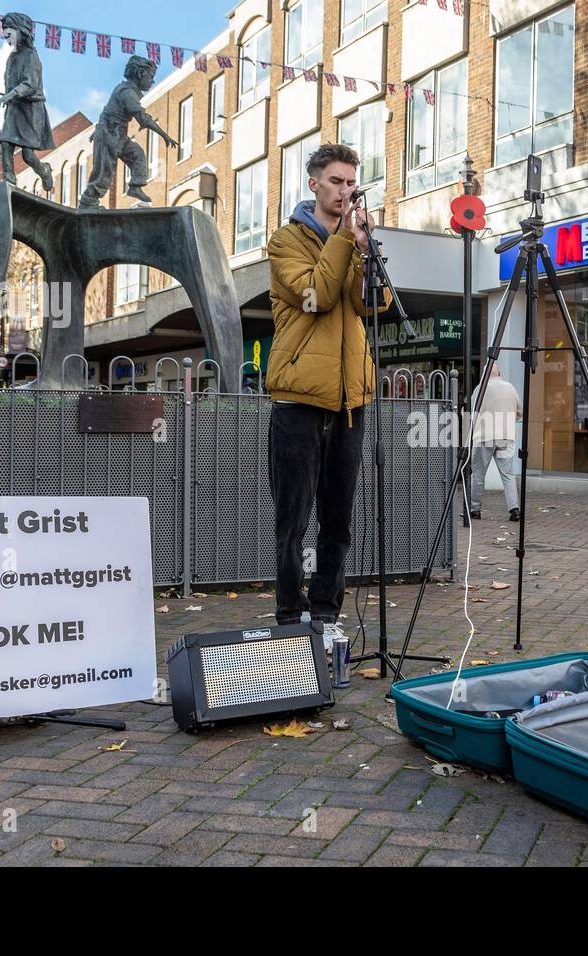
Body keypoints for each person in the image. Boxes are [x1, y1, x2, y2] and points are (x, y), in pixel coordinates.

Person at [265, 143, 382, 647]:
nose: (346, 190)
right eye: (337, 181)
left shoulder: (354, 244)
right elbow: (317, 294)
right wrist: (343, 244)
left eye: (351, 182)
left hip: (349, 403)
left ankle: (327, 612)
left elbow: (367, 303)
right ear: (314, 184)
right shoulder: (285, 242)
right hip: (298, 401)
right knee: (292, 518)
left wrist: (365, 251)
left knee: (338, 518)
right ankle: (291, 614)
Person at [79, 56, 178, 208]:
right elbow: (142, 118)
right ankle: (88, 201)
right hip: (109, 134)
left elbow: (108, 110)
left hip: (119, 135)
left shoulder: (128, 91)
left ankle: (134, 186)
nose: (152, 82)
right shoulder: (127, 92)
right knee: (104, 170)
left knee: (138, 154)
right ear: (139, 74)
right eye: (150, 77)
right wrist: (164, 135)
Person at [0, 13, 55, 193]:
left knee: (28, 156)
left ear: (21, 32)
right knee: (6, 141)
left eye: (10, 34)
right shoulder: (12, 57)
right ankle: (9, 177)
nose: (7, 38)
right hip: (15, 107)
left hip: (31, 109)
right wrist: (9, 95)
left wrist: (10, 95)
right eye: (5, 35)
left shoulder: (31, 56)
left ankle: (44, 170)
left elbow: (30, 84)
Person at [466, 365, 522, 521]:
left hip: (484, 435)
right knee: (508, 474)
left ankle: (475, 509)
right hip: (505, 436)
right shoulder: (510, 388)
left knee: (478, 475)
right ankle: (514, 509)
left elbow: (473, 411)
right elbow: (519, 411)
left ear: (485, 373)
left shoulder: (480, 388)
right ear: (499, 373)